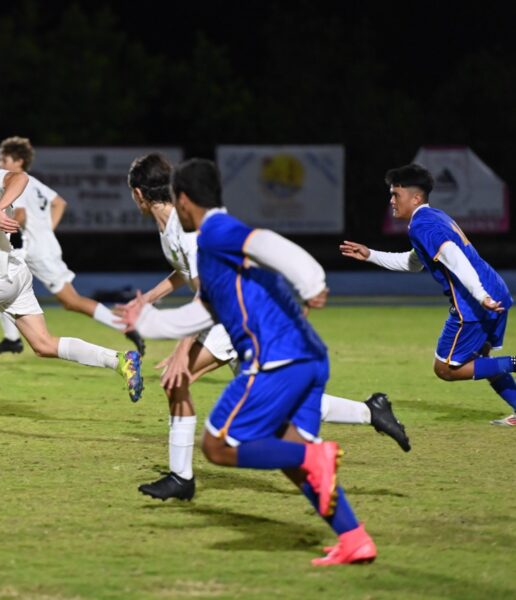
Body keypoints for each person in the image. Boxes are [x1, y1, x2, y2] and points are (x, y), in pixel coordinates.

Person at [120, 154, 409, 502]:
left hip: (230, 320)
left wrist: (182, 349)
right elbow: (189, 274)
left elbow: (207, 295)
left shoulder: (189, 231)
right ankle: (370, 411)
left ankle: (182, 477)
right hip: (234, 319)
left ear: (139, 194)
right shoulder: (171, 227)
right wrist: (150, 298)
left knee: (180, 383)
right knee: (281, 404)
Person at [175, 158, 377, 566]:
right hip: (306, 355)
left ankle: (318, 456)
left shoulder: (214, 231)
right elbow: (205, 307)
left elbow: (266, 243)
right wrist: (145, 318)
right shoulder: (210, 241)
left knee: (219, 444)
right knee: (291, 456)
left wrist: (312, 281)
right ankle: (354, 538)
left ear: (182, 200)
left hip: (278, 357)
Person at [0, 123, 142, 412]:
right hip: (15, 274)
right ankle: (120, 360)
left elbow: (19, 178)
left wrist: (0, 208)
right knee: (44, 345)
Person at [341, 163, 516, 426]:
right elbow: (414, 263)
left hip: (475, 302)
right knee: (481, 361)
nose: (391, 201)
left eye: (395, 195)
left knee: (446, 369)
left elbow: (454, 257)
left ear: (416, 197)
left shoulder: (422, 225)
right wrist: (371, 255)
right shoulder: (434, 217)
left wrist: (480, 296)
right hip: (495, 289)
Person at [0, 136, 145, 356]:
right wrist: (47, 230)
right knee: (2, 281)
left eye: (4, 159)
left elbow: (19, 215)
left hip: (38, 251)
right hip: (40, 246)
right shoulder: (33, 182)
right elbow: (59, 203)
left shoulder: (17, 180)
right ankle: (12, 339)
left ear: (18, 161)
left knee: (71, 301)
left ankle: (125, 325)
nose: (0, 164)